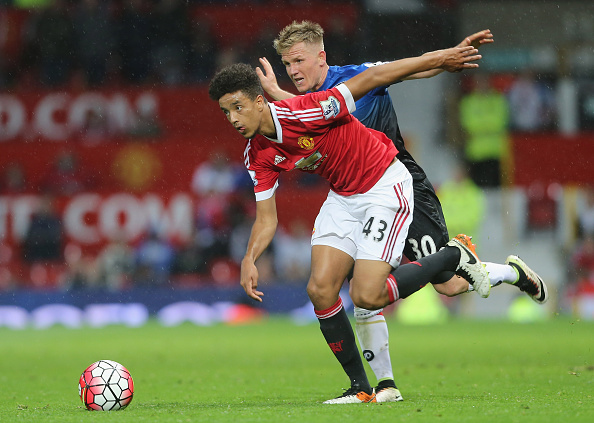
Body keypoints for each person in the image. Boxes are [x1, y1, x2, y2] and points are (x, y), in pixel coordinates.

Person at [208, 48, 525, 404]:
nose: (233, 118)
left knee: (367, 295)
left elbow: (374, 78)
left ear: (259, 101)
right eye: (225, 112)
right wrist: (250, 258)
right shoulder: (257, 154)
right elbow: (267, 218)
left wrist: (440, 60)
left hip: (382, 183)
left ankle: (453, 255)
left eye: (238, 106)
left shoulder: (307, 109)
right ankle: (360, 389)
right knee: (321, 290)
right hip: (344, 196)